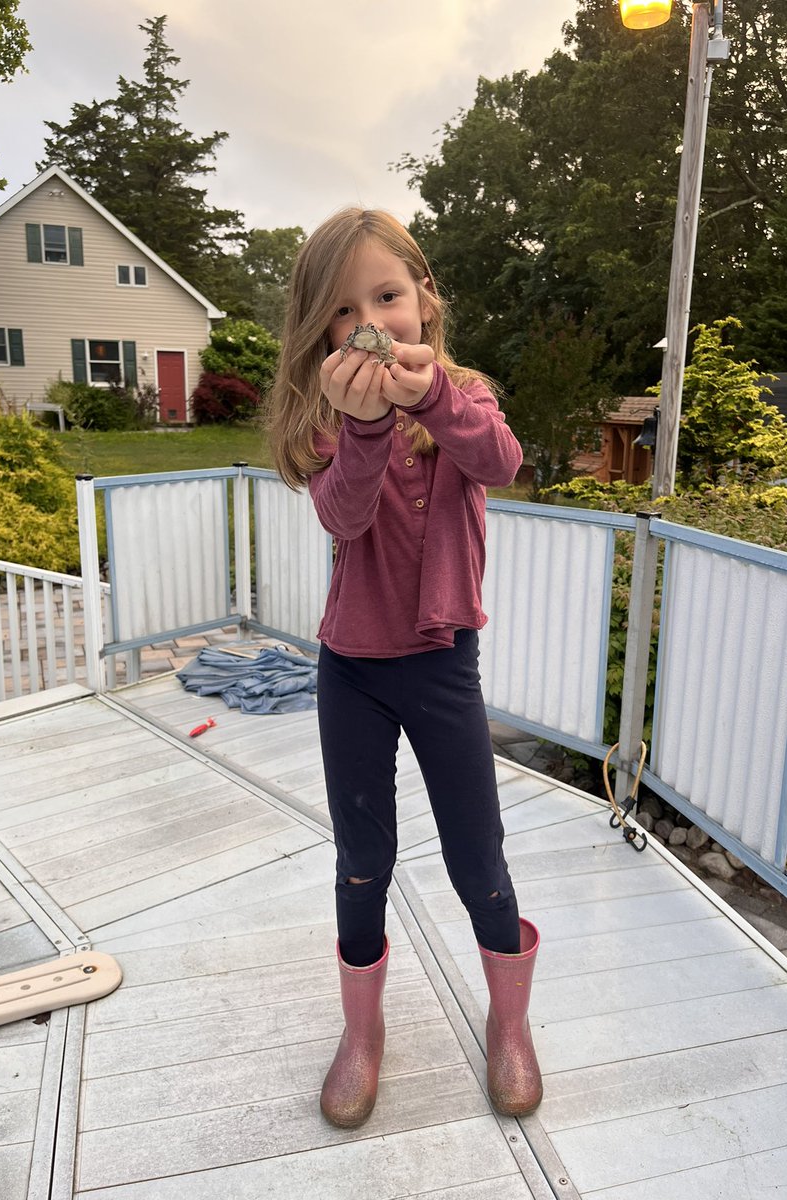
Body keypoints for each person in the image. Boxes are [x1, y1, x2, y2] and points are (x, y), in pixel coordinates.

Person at [266, 208, 542, 1128]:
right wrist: (365, 427)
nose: (370, 321)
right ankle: (362, 1034)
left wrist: (425, 400)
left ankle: (510, 1028)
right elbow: (343, 515)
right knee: (361, 860)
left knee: (479, 854)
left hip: (441, 668)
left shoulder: (466, 397)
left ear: (424, 297)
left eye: (387, 295)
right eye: (345, 312)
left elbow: (498, 460)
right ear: (322, 332)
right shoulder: (324, 424)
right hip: (351, 670)